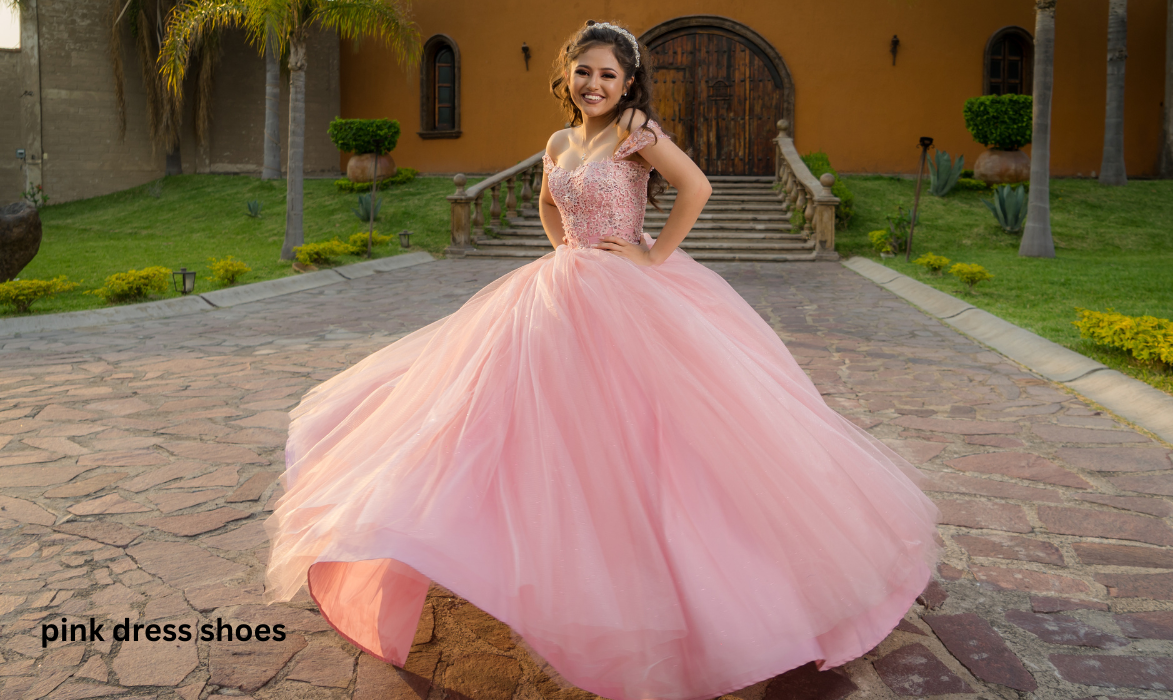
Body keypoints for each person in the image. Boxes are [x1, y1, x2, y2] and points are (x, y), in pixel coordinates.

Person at [263, 19, 941, 700]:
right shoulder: (559, 141)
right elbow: (547, 203)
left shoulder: (636, 134)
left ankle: (685, 583)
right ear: (568, 74)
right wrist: (564, 248)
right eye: (585, 71)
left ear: (628, 83)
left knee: (655, 433)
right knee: (529, 424)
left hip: (632, 293)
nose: (595, 84)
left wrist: (650, 256)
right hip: (560, 292)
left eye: (609, 75)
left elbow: (697, 188)